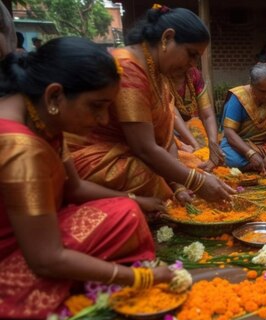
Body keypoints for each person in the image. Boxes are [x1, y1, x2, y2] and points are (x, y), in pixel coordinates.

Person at [0, 37, 173, 320]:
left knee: (127, 211)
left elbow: (75, 188)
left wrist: (139, 200)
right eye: (96, 106)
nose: (104, 119)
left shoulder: (41, 119)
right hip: (18, 262)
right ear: (54, 96)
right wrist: (138, 278)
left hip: (38, 236)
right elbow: (46, 259)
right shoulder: (20, 147)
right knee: (124, 218)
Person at [67, 5, 234, 202]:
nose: (193, 64)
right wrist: (196, 183)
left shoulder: (157, 72)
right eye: (191, 54)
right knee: (151, 177)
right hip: (95, 159)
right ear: (167, 38)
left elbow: (166, 138)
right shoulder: (128, 67)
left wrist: (179, 185)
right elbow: (144, 148)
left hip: (131, 155)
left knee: (183, 171)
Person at [220, 63, 266, 174]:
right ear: (252, 85)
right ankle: (260, 165)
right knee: (230, 158)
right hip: (242, 146)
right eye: (262, 91)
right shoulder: (239, 97)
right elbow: (229, 133)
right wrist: (250, 154)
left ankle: (260, 164)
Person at [169, 66, 224, 169]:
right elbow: (171, 112)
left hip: (191, 127)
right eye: (191, 54)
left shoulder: (194, 74)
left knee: (213, 152)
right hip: (166, 131)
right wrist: (193, 145)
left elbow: (207, 115)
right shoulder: (158, 75)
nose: (193, 62)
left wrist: (213, 145)